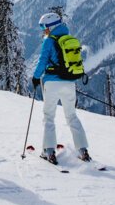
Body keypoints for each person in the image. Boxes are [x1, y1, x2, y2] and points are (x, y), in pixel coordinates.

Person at [32, 11, 90, 164]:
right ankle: (83, 150)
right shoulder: (69, 38)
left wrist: (36, 77)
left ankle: (49, 152)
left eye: (45, 27)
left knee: (49, 116)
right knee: (71, 116)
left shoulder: (49, 41)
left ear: (51, 26)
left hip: (51, 83)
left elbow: (42, 61)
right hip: (69, 82)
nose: (44, 30)